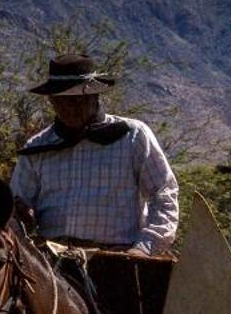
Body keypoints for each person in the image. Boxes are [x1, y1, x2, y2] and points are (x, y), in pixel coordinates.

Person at [9, 52, 180, 255]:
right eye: (61, 100)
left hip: (117, 258)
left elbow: (164, 194)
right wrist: (21, 218)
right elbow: (14, 209)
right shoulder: (37, 148)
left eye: (76, 100)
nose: (68, 108)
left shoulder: (133, 137)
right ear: (51, 101)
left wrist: (145, 247)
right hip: (52, 261)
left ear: (94, 96)